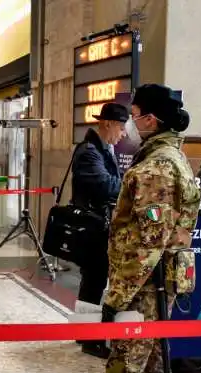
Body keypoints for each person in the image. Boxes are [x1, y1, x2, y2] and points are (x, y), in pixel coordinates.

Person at [76, 84, 200, 373]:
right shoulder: (173, 158)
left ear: (151, 119)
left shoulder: (154, 169)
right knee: (153, 370)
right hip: (161, 285)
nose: (132, 122)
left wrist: (116, 299)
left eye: (136, 114)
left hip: (143, 288)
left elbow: (148, 241)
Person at [70, 102, 128, 359]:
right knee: (93, 281)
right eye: (122, 127)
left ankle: (86, 333)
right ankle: (89, 338)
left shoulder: (102, 150)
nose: (123, 134)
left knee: (93, 279)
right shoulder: (90, 152)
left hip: (98, 224)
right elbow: (104, 186)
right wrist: (134, 183)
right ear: (108, 124)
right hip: (93, 226)